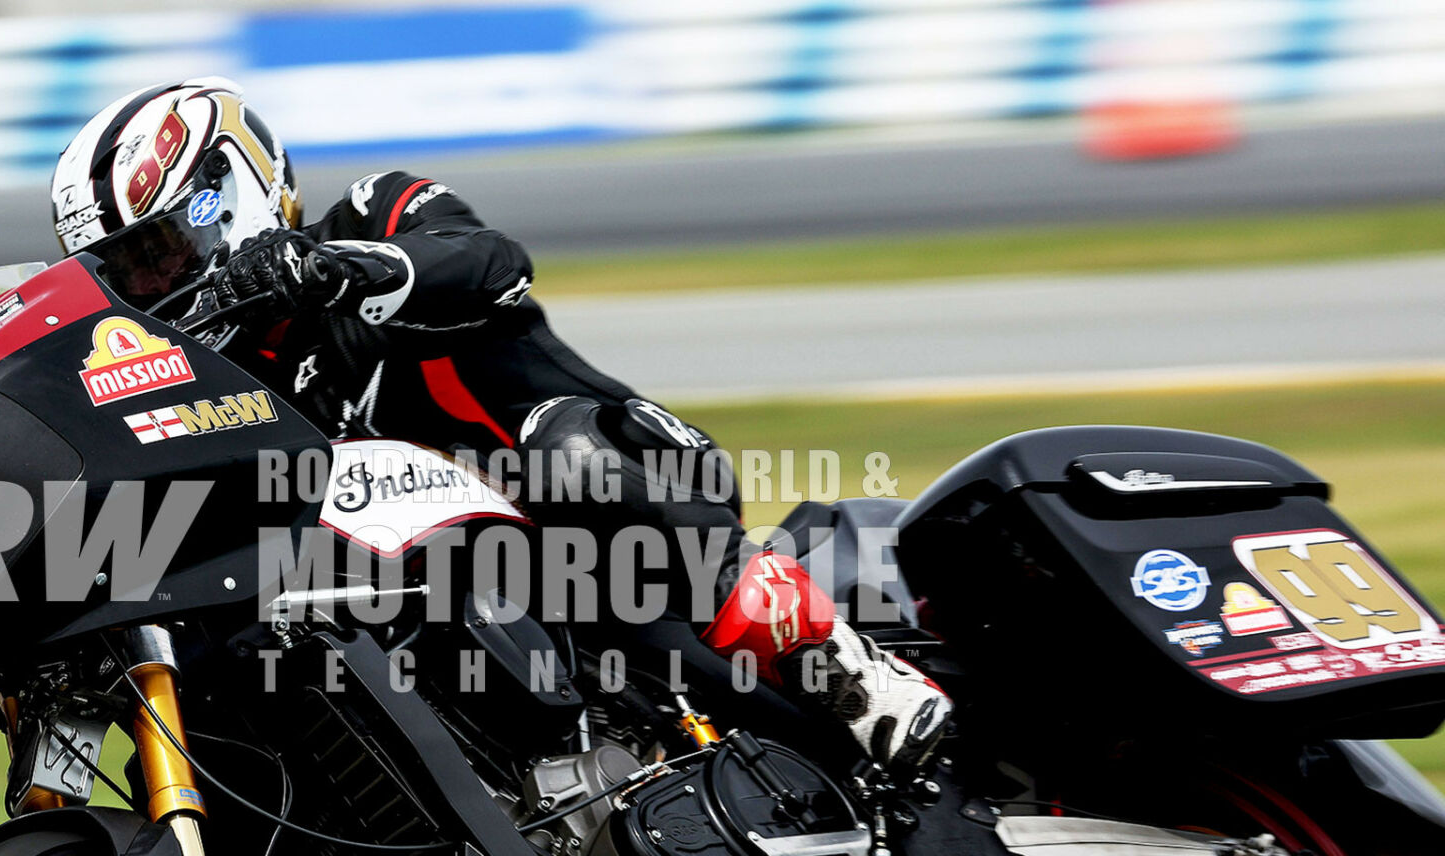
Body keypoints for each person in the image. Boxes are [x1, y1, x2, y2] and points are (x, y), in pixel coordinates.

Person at [49, 78, 952, 773]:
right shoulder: (211, 386)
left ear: (231, 192)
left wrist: (336, 269)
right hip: (440, 600)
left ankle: (856, 675)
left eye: (159, 251)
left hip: (606, 511)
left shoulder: (372, 214)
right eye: (126, 272)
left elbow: (487, 263)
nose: (152, 285)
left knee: (571, 453)